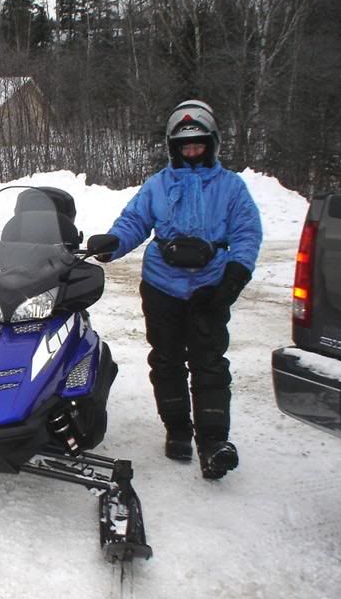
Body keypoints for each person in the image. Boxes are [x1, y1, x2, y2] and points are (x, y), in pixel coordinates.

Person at [98, 99, 262, 479]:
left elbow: (247, 234)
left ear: (212, 144)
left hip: (210, 286)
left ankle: (213, 441)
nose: (192, 152)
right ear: (173, 148)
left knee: (209, 363)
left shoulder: (232, 187)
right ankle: (177, 431)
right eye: (185, 146)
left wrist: (233, 279)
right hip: (162, 285)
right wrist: (112, 244)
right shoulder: (157, 185)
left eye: (199, 145)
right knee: (167, 360)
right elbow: (134, 221)